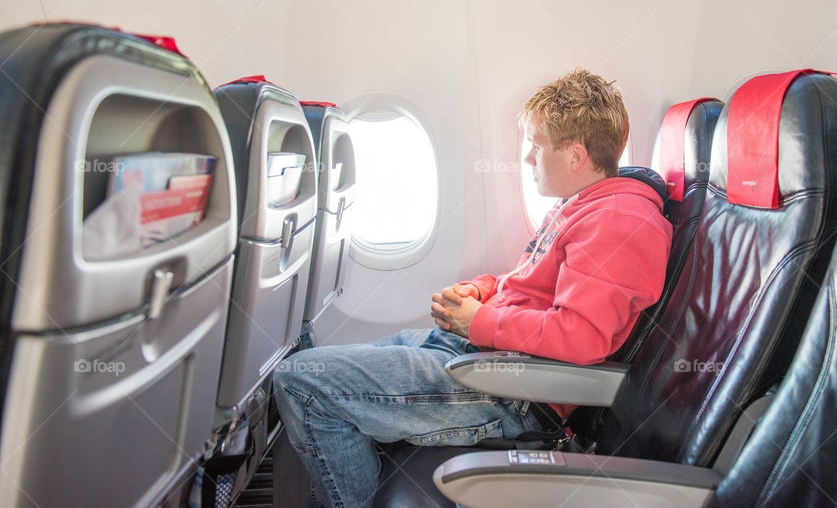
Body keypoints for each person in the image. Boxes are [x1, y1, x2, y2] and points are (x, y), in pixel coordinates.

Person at [273, 69, 672, 508]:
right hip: (479, 359)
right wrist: (480, 292)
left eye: (535, 147)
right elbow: (531, 286)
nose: (527, 160)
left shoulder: (619, 222)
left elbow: (581, 339)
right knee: (310, 365)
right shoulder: (582, 206)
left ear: (575, 155)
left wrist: (480, 322)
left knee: (301, 383)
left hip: (510, 393)